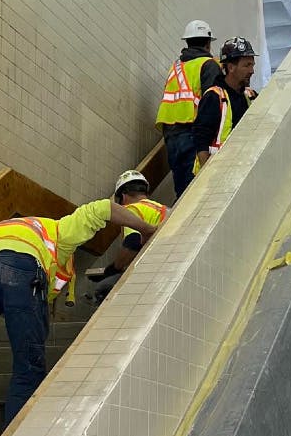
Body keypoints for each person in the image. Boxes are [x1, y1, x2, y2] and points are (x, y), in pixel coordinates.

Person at [0, 199, 157, 436]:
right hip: (21, 263)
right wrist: (146, 229)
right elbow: (103, 208)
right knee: (28, 365)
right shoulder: (58, 231)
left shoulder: (7, 230)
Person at [155, 20, 223, 197]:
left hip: (170, 133)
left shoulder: (176, 67)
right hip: (192, 130)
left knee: (181, 186)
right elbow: (213, 100)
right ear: (208, 43)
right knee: (194, 188)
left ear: (187, 42)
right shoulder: (209, 65)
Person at [85, 171, 170, 299]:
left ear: (122, 197)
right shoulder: (161, 208)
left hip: (152, 271)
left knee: (103, 289)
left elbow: (133, 242)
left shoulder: (132, 209)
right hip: (164, 266)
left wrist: (114, 268)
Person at [191, 37, 258, 176]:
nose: (252, 70)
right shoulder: (213, 97)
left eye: (253, 65)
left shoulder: (251, 96)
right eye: (247, 65)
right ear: (231, 67)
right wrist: (205, 176)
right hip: (216, 174)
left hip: (243, 170)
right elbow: (201, 138)